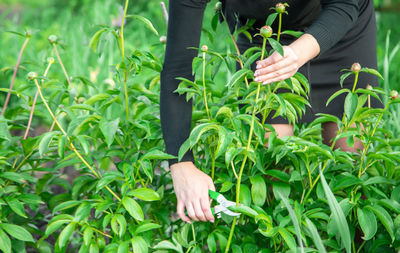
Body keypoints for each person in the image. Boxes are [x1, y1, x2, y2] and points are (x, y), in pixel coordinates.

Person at [160, 0, 379, 223]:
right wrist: (181, 164)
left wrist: (298, 53)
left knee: (349, 172)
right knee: (271, 167)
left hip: (338, 28)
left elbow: (345, 3)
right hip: (264, 39)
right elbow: (178, 69)